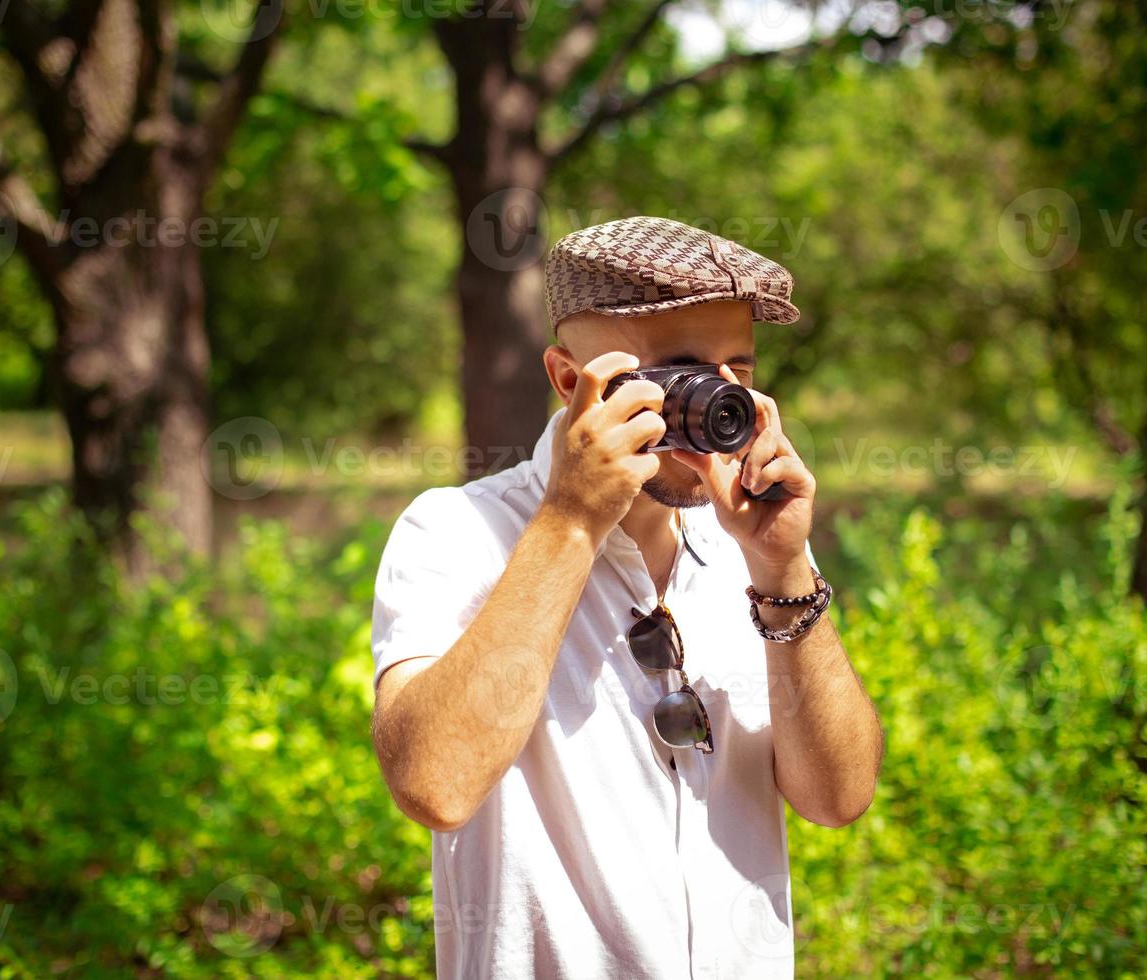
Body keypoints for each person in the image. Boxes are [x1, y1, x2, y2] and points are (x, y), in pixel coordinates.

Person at [370, 215, 883, 978]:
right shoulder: (458, 531)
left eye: (736, 369)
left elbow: (837, 798)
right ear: (570, 381)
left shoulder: (744, 544)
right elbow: (434, 786)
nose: (716, 400)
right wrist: (573, 521)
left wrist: (782, 573)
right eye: (682, 371)